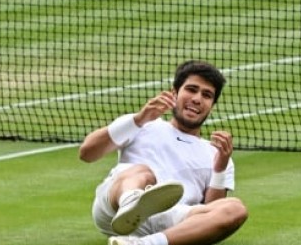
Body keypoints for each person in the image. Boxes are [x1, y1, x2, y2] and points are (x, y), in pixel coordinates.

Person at [78, 60, 248, 245]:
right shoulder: (143, 124)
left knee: (236, 209)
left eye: (206, 95)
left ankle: (143, 244)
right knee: (142, 172)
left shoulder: (217, 155)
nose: (197, 99)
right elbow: (87, 153)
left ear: (211, 106)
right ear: (174, 93)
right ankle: (132, 204)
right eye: (191, 89)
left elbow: (209, 212)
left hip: (171, 216)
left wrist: (220, 168)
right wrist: (139, 119)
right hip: (115, 207)